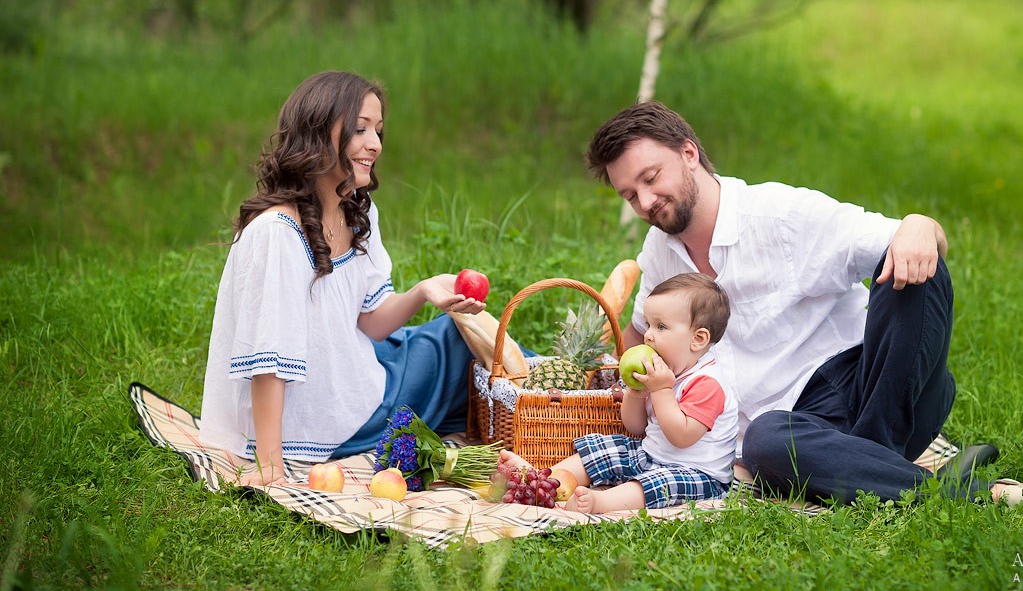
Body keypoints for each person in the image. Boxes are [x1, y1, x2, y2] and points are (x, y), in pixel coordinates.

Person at [585, 101, 1023, 508]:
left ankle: (866, 461)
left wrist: (921, 223)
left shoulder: (782, 215)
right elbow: (638, 336)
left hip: (875, 388)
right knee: (766, 443)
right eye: (631, 195)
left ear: (689, 154)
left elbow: (913, 239)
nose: (646, 201)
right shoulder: (658, 253)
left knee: (914, 271)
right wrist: (595, 372)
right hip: (796, 432)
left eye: (651, 178)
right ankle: (949, 487)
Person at [199, 71, 484, 485]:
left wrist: (423, 291)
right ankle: (567, 404)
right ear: (318, 134)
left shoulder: (358, 210)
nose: (376, 144)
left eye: (379, 130)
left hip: (356, 378)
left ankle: (564, 396)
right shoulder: (276, 233)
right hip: (325, 419)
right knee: (453, 346)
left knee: (455, 332)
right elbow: (268, 360)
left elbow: (370, 321)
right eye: (360, 129)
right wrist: (270, 467)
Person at [500, 272, 738, 513]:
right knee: (607, 448)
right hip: (651, 455)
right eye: (648, 324)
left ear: (697, 339)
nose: (648, 335)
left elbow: (682, 436)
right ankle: (542, 480)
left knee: (656, 485)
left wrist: (662, 391)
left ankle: (600, 503)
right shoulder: (663, 373)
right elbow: (635, 427)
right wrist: (636, 394)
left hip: (696, 475)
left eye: (661, 327)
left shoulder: (708, 383)